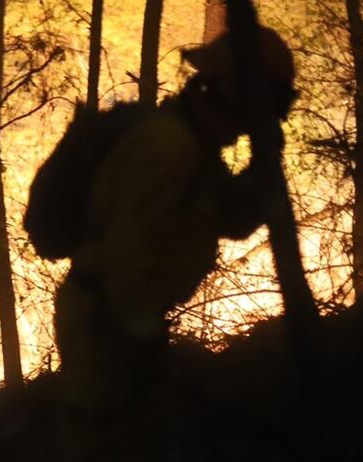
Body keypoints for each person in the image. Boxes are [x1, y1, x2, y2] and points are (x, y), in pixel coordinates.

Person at [38, 26, 297, 415]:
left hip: (121, 319)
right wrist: (144, 342)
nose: (248, 129)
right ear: (232, 97)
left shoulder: (195, 149)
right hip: (105, 322)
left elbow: (230, 221)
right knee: (101, 455)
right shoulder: (169, 148)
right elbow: (127, 254)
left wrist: (263, 171)